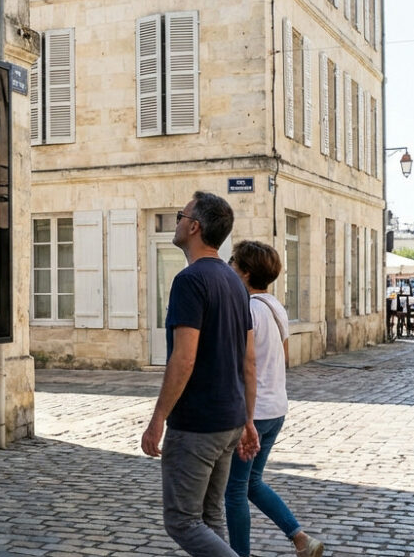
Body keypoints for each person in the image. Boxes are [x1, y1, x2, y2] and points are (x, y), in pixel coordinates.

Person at [141, 192, 258, 557]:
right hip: (229, 420)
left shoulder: (190, 281)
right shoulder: (234, 283)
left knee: (182, 521)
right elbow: (249, 360)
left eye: (180, 215)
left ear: (194, 227)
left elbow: (183, 359)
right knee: (210, 516)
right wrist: (248, 420)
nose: (177, 221)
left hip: (198, 423)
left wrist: (158, 418)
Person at [223, 241, 325, 557]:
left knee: (235, 489)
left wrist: (245, 418)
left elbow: (246, 364)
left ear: (245, 272)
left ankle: (239, 553)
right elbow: (283, 356)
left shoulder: (248, 310)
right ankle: (300, 539)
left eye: (233, 263)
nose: (229, 267)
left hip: (254, 411)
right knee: (252, 482)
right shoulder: (274, 306)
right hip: (276, 407)